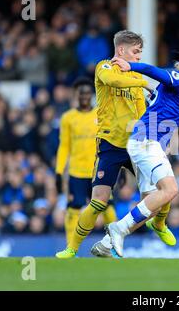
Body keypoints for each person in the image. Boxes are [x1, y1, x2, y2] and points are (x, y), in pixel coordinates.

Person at [56, 30, 172, 258]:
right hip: (110, 144)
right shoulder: (104, 67)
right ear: (121, 51)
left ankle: (158, 224)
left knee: (162, 189)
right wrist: (146, 84)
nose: (139, 57)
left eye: (140, 53)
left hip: (136, 146)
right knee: (98, 201)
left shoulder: (137, 80)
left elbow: (142, 113)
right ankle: (72, 248)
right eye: (136, 52)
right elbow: (114, 80)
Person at [106, 41, 179, 257]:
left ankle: (105, 243)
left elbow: (159, 99)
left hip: (146, 142)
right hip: (145, 141)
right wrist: (130, 66)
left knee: (153, 205)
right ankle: (119, 228)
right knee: (170, 190)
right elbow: (153, 71)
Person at [55, 77, 118, 246]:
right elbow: (64, 147)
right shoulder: (68, 118)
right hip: (76, 171)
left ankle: (114, 245)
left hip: (99, 170)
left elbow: (111, 141)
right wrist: (59, 171)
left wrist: (119, 166)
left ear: (92, 95)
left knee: (108, 208)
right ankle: (71, 248)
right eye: (81, 93)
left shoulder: (101, 114)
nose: (84, 96)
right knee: (73, 208)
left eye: (87, 93)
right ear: (76, 95)